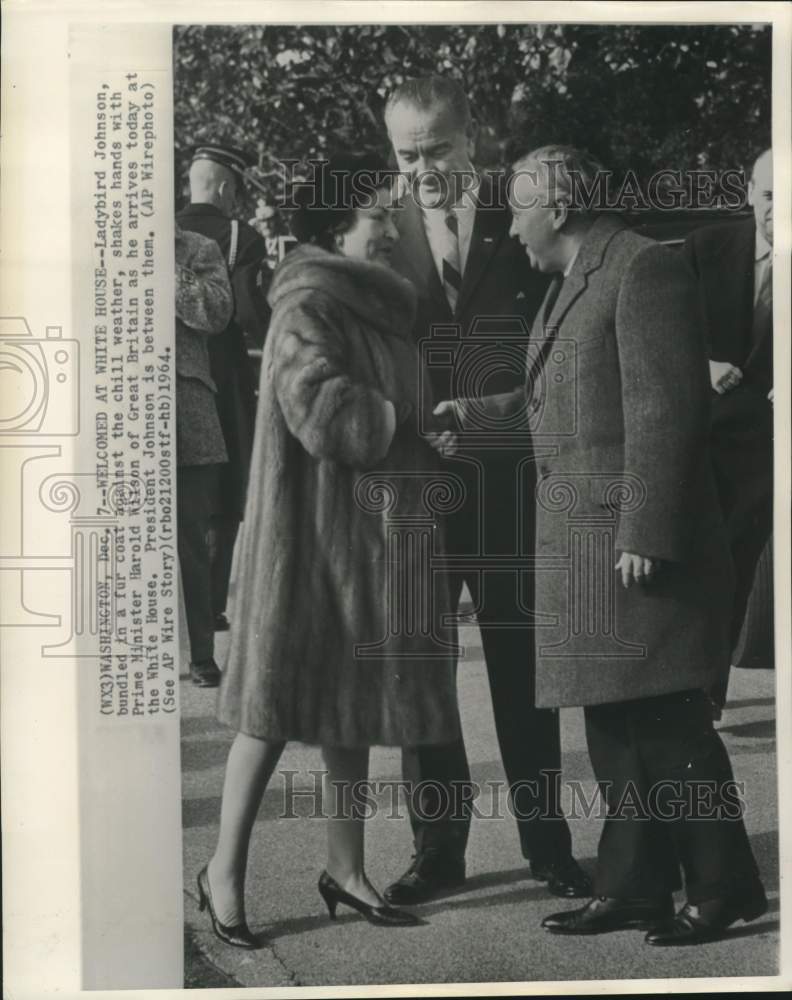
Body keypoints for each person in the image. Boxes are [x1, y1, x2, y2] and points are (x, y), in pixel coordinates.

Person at [440, 145, 766, 945]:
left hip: (630, 545)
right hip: (592, 550)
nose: (509, 228)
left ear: (557, 207)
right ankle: (633, 888)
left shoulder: (640, 268)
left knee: (667, 725)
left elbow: (666, 410)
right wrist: (470, 418)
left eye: (517, 209)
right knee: (615, 729)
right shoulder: (575, 280)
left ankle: (724, 887)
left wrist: (645, 532)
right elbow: (550, 398)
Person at [198, 153, 462, 948]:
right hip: (306, 554)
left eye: (388, 213)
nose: (389, 227)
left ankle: (346, 871)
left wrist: (431, 425)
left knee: (351, 715)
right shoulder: (309, 303)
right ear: (335, 227)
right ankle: (222, 876)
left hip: (368, 548)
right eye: (376, 213)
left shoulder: (379, 309)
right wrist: (407, 418)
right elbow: (322, 410)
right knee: (267, 715)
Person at [382, 75, 590, 906]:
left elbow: (558, 345)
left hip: (508, 486)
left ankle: (549, 846)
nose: (423, 169)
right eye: (406, 154)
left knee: (521, 670)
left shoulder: (527, 216)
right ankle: (438, 850)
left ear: (473, 142)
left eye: (436, 149)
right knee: (422, 673)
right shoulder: (373, 231)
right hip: (413, 493)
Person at [683, 148, 774, 711]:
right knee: (697, 561)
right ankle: (693, 686)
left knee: (737, 564)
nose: (777, 209)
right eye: (768, 195)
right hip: (704, 434)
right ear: (748, 193)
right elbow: (663, 329)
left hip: (768, 444)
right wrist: (704, 364)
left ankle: (705, 692)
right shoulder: (706, 247)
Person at [177, 143, 272, 658]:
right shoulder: (241, 236)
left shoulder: (166, 234)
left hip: (174, 377)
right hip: (227, 377)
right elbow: (247, 311)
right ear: (226, 187)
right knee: (226, 491)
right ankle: (212, 603)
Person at [174, 224, 234, 686]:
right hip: (117, 412)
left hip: (187, 414)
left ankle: (200, 653)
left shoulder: (199, 248)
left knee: (191, 541)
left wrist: (167, 264)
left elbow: (216, 314)